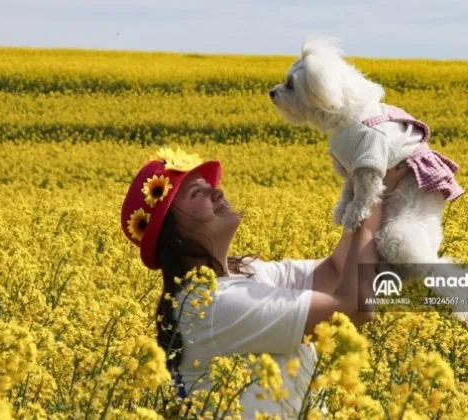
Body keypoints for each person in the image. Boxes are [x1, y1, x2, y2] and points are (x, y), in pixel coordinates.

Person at [120, 148, 410, 419]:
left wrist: (365, 184)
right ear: (174, 234)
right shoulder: (209, 306)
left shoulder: (245, 273)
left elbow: (335, 270)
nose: (217, 191)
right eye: (198, 193)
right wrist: (371, 195)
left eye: (210, 185)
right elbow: (353, 309)